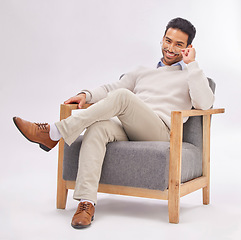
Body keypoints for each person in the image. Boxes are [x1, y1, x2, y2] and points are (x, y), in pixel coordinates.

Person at [13, 17, 214, 229]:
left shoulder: (191, 75)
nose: (170, 48)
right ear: (162, 39)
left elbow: (205, 103)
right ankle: (86, 203)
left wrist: (192, 65)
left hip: (161, 131)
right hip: (130, 126)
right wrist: (86, 95)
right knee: (98, 127)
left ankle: (54, 132)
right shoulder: (141, 71)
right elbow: (110, 89)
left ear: (188, 48)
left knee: (123, 97)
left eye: (178, 44)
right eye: (168, 40)